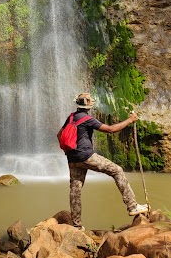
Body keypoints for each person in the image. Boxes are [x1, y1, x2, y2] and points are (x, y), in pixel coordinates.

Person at [58, 92, 149, 229]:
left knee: (75, 189)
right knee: (117, 171)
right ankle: (132, 206)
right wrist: (130, 120)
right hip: (87, 156)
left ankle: (77, 225)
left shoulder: (71, 117)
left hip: (72, 158)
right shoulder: (87, 119)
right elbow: (111, 129)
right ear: (89, 106)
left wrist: (70, 152)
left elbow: (59, 134)